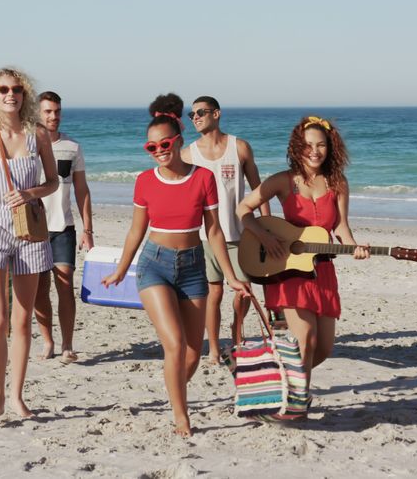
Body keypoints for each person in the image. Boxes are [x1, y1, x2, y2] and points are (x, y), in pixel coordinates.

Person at [101, 109, 250, 438]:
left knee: (194, 353)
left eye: (164, 143)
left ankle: (173, 390)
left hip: (193, 266)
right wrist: (121, 270)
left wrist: (231, 276)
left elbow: (214, 233)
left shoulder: (202, 178)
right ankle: (181, 416)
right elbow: (135, 231)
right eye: (151, 147)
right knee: (175, 344)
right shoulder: (144, 181)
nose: (159, 151)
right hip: (154, 265)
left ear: (178, 141)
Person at [236, 116, 369, 390]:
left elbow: (342, 226)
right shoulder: (284, 181)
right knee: (305, 337)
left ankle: (279, 379)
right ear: (297, 148)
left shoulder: (338, 183)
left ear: (330, 148)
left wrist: (354, 245)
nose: (315, 151)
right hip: (289, 268)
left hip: (323, 270)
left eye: (321, 145)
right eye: (308, 145)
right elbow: (243, 209)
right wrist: (263, 235)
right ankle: (298, 398)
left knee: (323, 348)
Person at [0, 67, 59, 422]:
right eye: (3, 89)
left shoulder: (38, 135)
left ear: (25, 94)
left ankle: (17, 397)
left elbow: (52, 182)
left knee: (22, 320)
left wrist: (29, 192)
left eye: (17, 89)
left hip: (31, 228)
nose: (11, 94)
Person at [182, 95, 270, 364]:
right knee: (213, 292)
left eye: (201, 112)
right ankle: (214, 349)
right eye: (191, 114)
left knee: (243, 290)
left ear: (216, 114)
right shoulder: (187, 154)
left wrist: (267, 227)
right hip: (204, 236)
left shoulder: (240, 147)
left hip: (240, 233)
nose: (195, 117)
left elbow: (259, 191)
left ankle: (237, 332)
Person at [33, 91, 94, 365]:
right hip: (34, 229)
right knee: (39, 289)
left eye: (56, 111)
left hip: (63, 227)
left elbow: (82, 190)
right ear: (37, 113)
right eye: (47, 111)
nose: (53, 116)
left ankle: (68, 344)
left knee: (65, 284)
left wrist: (87, 229)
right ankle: (48, 341)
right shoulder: (26, 145)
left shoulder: (72, 147)